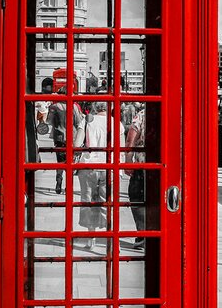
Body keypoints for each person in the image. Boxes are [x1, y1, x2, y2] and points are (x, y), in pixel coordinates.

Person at [77, 100, 125, 246]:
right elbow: (121, 149)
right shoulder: (117, 123)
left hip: (89, 167)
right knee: (108, 202)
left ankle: (91, 237)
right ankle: (110, 236)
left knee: (89, 200)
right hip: (110, 167)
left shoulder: (87, 120)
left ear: (94, 108)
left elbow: (76, 144)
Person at [40, 77, 69, 194]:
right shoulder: (75, 106)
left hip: (59, 137)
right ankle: (69, 185)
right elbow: (79, 121)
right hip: (72, 138)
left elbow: (48, 121)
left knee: (60, 162)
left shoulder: (54, 107)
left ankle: (59, 180)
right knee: (70, 162)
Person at [123, 104, 147, 234]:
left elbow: (130, 140)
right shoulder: (179, 113)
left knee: (137, 198)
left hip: (142, 165)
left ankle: (142, 233)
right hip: (169, 168)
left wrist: (128, 160)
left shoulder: (142, 115)